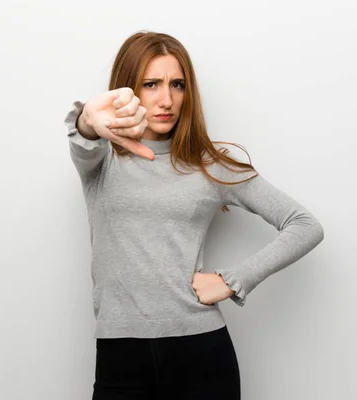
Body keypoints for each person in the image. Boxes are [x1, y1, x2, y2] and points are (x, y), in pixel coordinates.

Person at [64, 31, 325, 400]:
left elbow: (304, 225)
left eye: (177, 84)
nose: (166, 99)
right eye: (150, 84)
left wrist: (232, 280)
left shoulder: (210, 166)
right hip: (120, 355)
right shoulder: (101, 159)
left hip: (201, 354)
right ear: (128, 90)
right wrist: (89, 119)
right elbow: (84, 134)